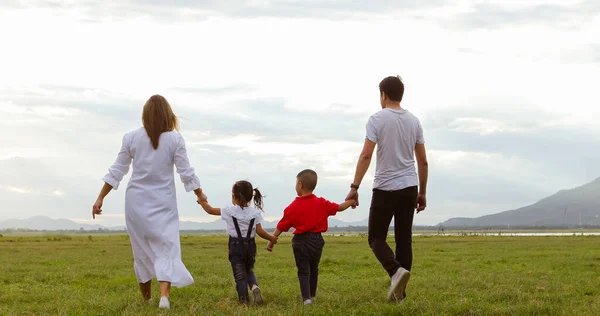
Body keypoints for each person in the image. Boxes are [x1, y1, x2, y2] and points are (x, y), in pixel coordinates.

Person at [92, 95, 206, 309]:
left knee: (141, 250)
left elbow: (117, 170)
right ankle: (164, 297)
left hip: (136, 202)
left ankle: (147, 299)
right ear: (168, 115)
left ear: (145, 115)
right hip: (164, 202)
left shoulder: (131, 138)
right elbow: (186, 171)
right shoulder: (175, 140)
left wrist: (100, 198)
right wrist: (199, 194)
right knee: (166, 247)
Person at [345, 76, 429, 302]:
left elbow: (366, 154)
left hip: (385, 187)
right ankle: (400, 296)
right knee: (404, 240)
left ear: (383, 95)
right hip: (410, 186)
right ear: (400, 94)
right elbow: (422, 161)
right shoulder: (414, 121)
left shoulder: (377, 119)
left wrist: (354, 187)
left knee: (375, 237)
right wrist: (422, 192)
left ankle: (395, 272)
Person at [268, 169, 356, 305]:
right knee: (314, 268)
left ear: (300, 185)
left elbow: (281, 226)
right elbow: (339, 207)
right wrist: (351, 201)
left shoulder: (292, 207)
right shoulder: (322, 203)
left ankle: (306, 299)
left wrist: (272, 240)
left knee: (303, 271)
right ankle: (312, 295)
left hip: (300, 242)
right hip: (317, 241)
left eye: (296, 183)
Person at [198, 180, 278, 304]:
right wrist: (271, 238)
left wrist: (202, 202)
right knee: (249, 269)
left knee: (239, 275)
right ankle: (254, 287)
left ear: (234, 196)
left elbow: (210, 210)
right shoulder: (255, 213)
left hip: (235, 246)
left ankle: (244, 300)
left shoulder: (229, 211)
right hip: (251, 246)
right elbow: (260, 231)